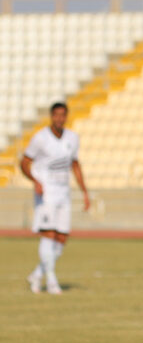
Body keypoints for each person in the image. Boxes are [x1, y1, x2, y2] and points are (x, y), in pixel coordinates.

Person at [20, 102, 90, 295]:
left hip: (63, 193)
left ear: (66, 117)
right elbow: (24, 162)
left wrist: (85, 192)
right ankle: (51, 281)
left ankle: (37, 274)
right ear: (51, 116)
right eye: (56, 115)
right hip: (47, 194)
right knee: (49, 235)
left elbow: (75, 165)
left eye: (63, 115)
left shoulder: (72, 138)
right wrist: (36, 181)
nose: (59, 119)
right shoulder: (40, 138)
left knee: (61, 237)